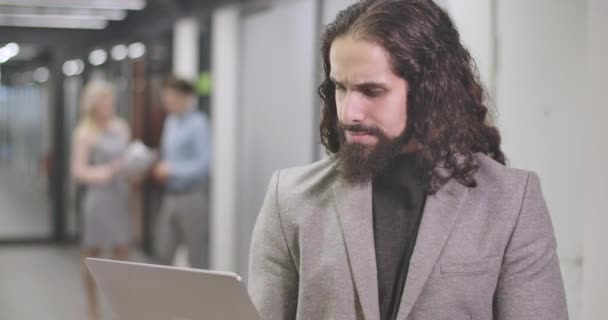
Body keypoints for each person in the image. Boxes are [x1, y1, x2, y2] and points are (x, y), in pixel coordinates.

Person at [248, 1, 569, 319]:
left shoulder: (511, 202)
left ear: (427, 90)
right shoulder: (289, 199)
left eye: (371, 91)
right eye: (340, 87)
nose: (348, 113)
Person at [70, 80, 132, 320]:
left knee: (123, 254)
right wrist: (106, 172)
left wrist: (132, 166)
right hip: (98, 199)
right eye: (103, 102)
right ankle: (92, 307)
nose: (108, 106)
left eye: (110, 101)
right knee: (92, 255)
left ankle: (123, 306)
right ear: (93, 105)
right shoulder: (84, 132)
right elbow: (78, 171)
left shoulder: (121, 126)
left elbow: (126, 159)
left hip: (119, 196)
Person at [152, 76, 211, 269]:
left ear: (185, 98)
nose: (166, 103)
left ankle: (199, 299)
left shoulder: (198, 123)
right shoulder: (170, 122)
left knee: (197, 257)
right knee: (163, 252)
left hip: (192, 198)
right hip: (170, 196)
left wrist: (173, 170)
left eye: (170, 98)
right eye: (165, 99)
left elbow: (204, 165)